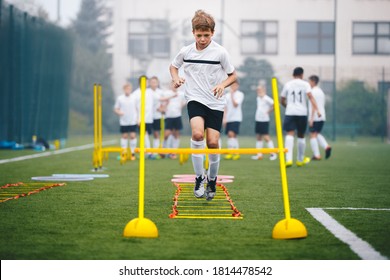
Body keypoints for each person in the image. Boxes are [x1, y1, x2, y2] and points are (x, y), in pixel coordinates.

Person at [169, 9, 237, 201]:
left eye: (206, 35)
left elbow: (233, 75)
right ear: (193, 33)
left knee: (213, 142)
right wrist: (176, 78)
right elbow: (173, 66)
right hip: (195, 98)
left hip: (215, 101)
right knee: (198, 134)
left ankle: (212, 179)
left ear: (212, 34)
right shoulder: (186, 51)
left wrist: (222, 85)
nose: (203, 39)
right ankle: (199, 178)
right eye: (199, 35)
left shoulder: (220, 52)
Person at [280, 67, 321, 167]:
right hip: (302, 113)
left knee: (289, 134)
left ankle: (288, 159)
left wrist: (287, 106)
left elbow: (282, 100)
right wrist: (318, 110)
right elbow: (311, 97)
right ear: (302, 75)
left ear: (293, 75)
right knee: (301, 135)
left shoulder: (288, 84)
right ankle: (300, 160)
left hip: (290, 112)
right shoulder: (305, 84)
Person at [251, 81, 277, 161]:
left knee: (266, 137)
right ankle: (259, 155)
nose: (258, 91)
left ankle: (273, 154)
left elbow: (275, 104)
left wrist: (268, 111)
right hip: (258, 119)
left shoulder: (266, 98)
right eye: (257, 90)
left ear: (264, 90)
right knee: (258, 137)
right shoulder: (258, 98)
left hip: (264, 120)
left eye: (260, 90)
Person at [308, 75, 332, 160]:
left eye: (309, 81)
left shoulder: (312, 92)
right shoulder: (321, 91)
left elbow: (314, 105)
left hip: (315, 117)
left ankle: (316, 155)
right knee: (316, 134)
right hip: (322, 116)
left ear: (313, 82)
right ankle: (326, 146)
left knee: (312, 135)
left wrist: (311, 118)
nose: (308, 83)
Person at [113, 83, 138, 161]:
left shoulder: (134, 98)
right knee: (124, 136)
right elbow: (116, 108)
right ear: (124, 90)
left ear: (131, 89)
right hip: (124, 121)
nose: (127, 90)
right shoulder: (120, 98)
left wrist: (138, 119)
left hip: (133, 120)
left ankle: (132, 153)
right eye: (126, 89)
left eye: (129, 89)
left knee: (133, 136)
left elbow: (138, 109)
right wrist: (119, 112)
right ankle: (123, 153)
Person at [163, 83, 186, 159]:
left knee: (176, 134)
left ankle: (173, 152)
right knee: (166, 134)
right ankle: (164, 151)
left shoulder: (181, 94)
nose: (174, 86)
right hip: (168, 116)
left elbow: (186, 100)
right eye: (172, 84)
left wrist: (181, 105)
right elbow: (162, 101)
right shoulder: (167, 93)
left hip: (177, 116)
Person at [133, 76, 154, 159]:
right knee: (144, 135)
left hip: (149, 118)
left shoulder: (150, 92)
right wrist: (137, 119)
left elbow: (159, 99)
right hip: (140, 119)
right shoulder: (136, 93)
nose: (147, 83)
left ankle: (147, 152)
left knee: (147, 135)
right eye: (145, 82)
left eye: (147, 82)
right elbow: (133, 107)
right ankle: (148, 153)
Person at [223, 81, 244, 160]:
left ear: (238, 86)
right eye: (232, 85)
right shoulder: (226, 95)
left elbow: (235, 104)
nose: (233, 87)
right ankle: (235, 152)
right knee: (231, 135)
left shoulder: (240, 94)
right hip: (228, 118)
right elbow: (225, 107)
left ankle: (231, 152)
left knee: (231, 133)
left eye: (235, 85)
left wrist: (232, 95)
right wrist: (224, 119)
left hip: (236, 118)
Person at [150, 76, 165, 159]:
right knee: (146, 133)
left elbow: (164, 102)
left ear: (157, 83)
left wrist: (162, 108)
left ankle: (156, 151)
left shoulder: (160, 92)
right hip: (148, 116)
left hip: (157, 116)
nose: (154, 84)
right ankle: (147, 152)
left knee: (156, 133)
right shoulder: (147, 92)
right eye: (152, 82)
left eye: (155, 82)